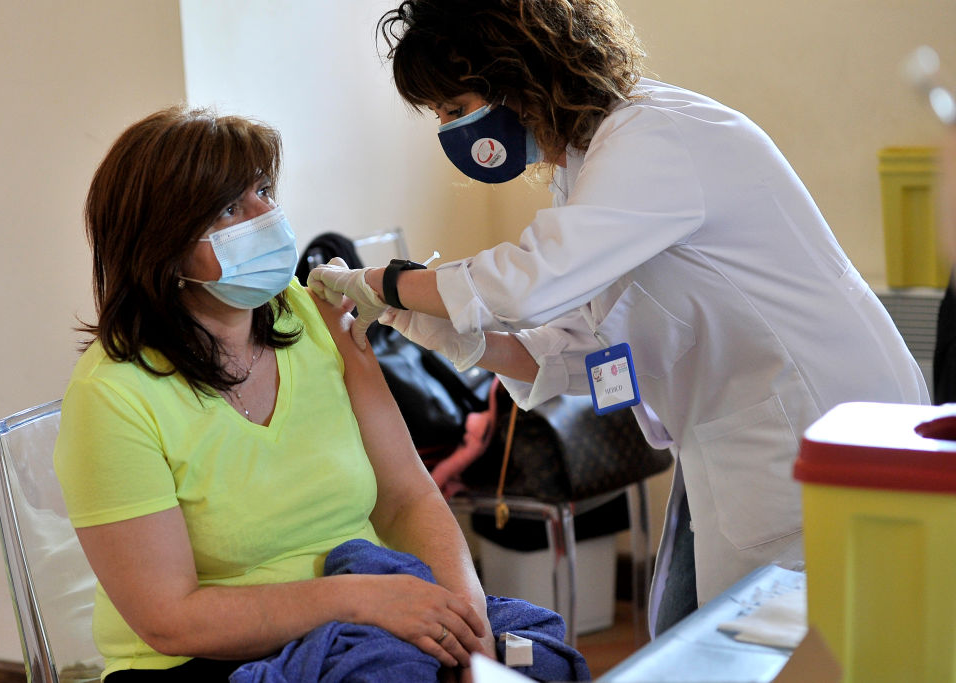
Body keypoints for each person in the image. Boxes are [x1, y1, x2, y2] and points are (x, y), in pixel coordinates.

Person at [308, 0, 931, 636]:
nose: (449, 131)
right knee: (695, 635)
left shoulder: (655, 136)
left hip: (812, 426)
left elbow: (529, 283)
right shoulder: (585, 169)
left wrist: (385, 281)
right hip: (740, 437)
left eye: (454, 108)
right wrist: (454, 337)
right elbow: (591, 347)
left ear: (519, 73)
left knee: (794, 650)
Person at [52, 106, 497, 681]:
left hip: (367, 621)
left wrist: (470, 629)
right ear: (160, 244)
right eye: (230, 208)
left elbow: (407, 498)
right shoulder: (112, 395)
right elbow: (170, 620)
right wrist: (359, 600)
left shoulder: (315, 317)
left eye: (264, 191)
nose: (267, 216)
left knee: (538, 657)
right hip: (202, 660)